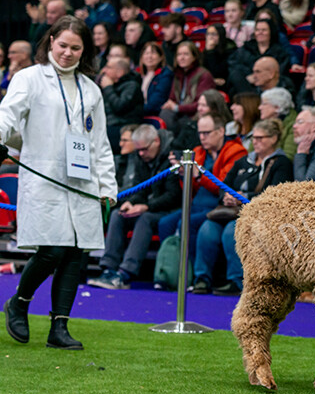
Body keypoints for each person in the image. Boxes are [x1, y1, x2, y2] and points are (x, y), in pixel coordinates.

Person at [1, 16, 116, 350]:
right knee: (52, 250)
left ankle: (59, 328)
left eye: (75, 47)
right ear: (50, 41)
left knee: (75, 253)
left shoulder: (91, 89)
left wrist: (108, 187)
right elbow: (8, 113)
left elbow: (100, 143)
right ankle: (19, 303)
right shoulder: (30, 78)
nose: (67, 52)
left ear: (85, 50)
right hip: (45, 176)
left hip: (82, 179)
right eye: (62, 44)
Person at [193, 118, 292, 296]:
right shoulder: (243, 161)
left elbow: (277, 195)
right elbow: (223, 185)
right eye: (254, 138)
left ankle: (236, 280)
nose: (256, 142)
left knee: (232, 230)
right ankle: (202, 278)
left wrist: (242, 198)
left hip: (259, 214)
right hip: (230, 210)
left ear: (274, 138)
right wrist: (227, 197)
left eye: (261, 138)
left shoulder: (281, 163)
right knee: (207, 229)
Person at [90, 124, 180, 290]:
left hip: (167, 211)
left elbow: (173, 197)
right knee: (118, 214)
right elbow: (140, 187)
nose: (141, 154)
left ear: (156, 142)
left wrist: (145, 206)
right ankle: (109, 268)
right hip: (147, 205)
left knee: (145, 219)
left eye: (144, 149)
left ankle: (126, 273)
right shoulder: (141, 158)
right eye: (138, 150)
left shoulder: (172, 159)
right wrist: (131, 202)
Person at [160, 114, 247, 276]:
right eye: (200, 133)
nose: (202, 137)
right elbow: (190, 190)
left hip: (218, 205)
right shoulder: (198, 151)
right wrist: (183, 175)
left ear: (221, 131)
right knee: (165, 223)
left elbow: (223, 185)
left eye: (207, 133)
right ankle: (171, 271)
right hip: (197, 204)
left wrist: (199, 176)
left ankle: (192, 274)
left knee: (187, 223)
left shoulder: (236, 151)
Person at [227, 18, 291, 95]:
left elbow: (280, 72)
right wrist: (250, 75)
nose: (260, 33)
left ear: (271, 32)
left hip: (268, 86)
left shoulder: (279, 52)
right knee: (235, 76)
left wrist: (259, 76)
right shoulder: (245, 49)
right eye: (257, 30)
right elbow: (234, 65)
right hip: (245, 84)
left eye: (264, 30)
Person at [160, 41, 215, 129]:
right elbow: (172, 98)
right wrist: (169, 104)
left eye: (186, 54)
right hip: (180, 113)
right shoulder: (178, 74)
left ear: (194, 57)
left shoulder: (204, 75)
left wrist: (178, 108)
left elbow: (200, 105)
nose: (181, 58)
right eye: (179, 54)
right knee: (165, 113)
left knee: (182, 122)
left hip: (195, 115)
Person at [99, 57, 143, 151]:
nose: (104, 70)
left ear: (120, 72)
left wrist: (108, 88)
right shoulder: (110, 85)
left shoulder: (132, 86)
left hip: (124, 126)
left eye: (108, 67)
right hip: (109, 125)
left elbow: (119, 107)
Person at [259, 87, 297, 161]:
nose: (259, 107)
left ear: (277, 107)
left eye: (264, 104)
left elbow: (288, 156)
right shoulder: (262, 124)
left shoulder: (293, 125)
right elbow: (251, 153)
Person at [202, 23, 236, 89]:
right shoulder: (206, 51)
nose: (210, 37)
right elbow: (202, 70)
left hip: (226, 83)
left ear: (221, 35)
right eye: (208, 34)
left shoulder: (230, 49)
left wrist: (210, 52)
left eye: (214, 34)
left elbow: (219, 72)